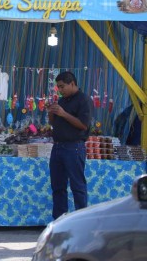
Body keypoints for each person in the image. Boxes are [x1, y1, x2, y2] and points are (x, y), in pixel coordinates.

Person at [47, 71, 92, 220]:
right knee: (58, 187)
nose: (60, 90)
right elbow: (54, 123)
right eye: (58, 87)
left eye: (62, 86)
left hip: (74, 147)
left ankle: (81, 221)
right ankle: (60, 221)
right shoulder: (62, 101)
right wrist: (52, 111)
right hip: (58, 147)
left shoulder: (83, 100)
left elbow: (83, 125)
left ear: (72, 83)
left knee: (77, 186)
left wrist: (64, 114)